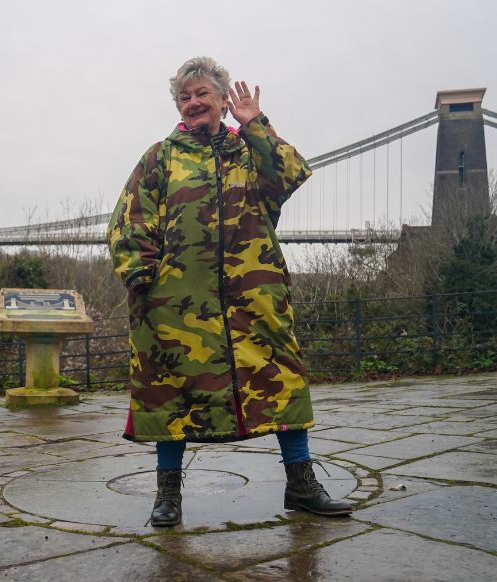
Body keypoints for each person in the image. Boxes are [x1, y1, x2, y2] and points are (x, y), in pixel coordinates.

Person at [107, 56, 353, 527]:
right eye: (185, 96)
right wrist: (141, 274)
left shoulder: (250, 151)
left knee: (282, 380)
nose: (194, 102)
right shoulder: (160, 156)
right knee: (170, 391)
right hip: (176, 301)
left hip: (253, 296)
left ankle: (301, 485)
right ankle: (167, 495)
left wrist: (256, 123)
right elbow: (130, 216)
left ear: (223, 100)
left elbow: (290, 174)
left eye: (203, 93)